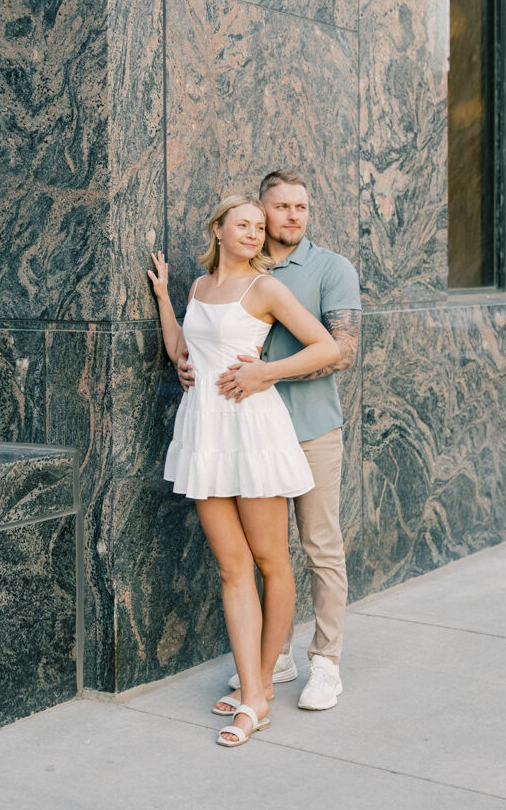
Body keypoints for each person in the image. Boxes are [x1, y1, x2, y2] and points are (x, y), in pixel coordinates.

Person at [148, 194, 339, 748]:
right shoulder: (200, 287)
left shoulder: (267, 288)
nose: (256, 233)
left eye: (261, 226)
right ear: (220, 229)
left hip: (252, 432)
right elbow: (182, 352)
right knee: (232, 569)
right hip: (206, 434)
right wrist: (163, 296)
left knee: (271, 563)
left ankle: (259, 694)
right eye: (246, 225)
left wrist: (267, 372)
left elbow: (325, 346)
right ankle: (254, 690)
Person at [179, 170, 361, 712]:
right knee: (258, 557)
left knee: (318, 547)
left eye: (299, 207)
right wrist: (187, 357)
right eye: (277, 208)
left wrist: (267, 373)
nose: (290, 217)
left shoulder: (330, 268)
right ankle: (270, 661)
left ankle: (325, 663)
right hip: (241, 434)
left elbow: (342, 349)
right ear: (248, 217)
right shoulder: (232, 273)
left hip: (308, 427)